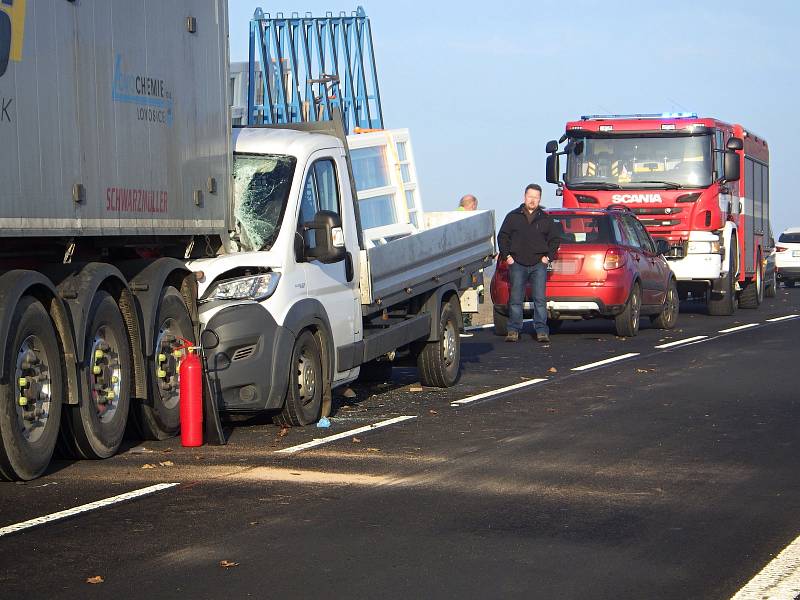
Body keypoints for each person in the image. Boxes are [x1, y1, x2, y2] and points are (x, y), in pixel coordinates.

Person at [497, 184, 561, 343]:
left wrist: (548, 257)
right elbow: (502, 237)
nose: (532, 200)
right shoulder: (512, 217)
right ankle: (513, 330)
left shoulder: (545, 219)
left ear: (540, 199)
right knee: (516, 298)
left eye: (536, 197)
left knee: (539, 299)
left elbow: (555, 240)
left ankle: (541, 330)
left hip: (538, 264)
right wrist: (508, 257)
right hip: (517, 263)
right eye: (530, 196)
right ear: (524, 197)